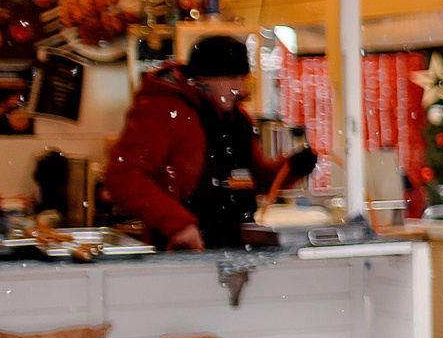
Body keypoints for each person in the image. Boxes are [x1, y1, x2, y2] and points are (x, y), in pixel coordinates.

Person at [105, 34, 314, 250]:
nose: (240, 89)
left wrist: (292, 167)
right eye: (232, 78)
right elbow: (123, 176)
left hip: (237, 249)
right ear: (203, 79)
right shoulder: (163, 110)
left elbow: (249, 181)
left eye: (243, 78)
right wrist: (178, 225)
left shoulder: (238, 119)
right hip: (180, 254)